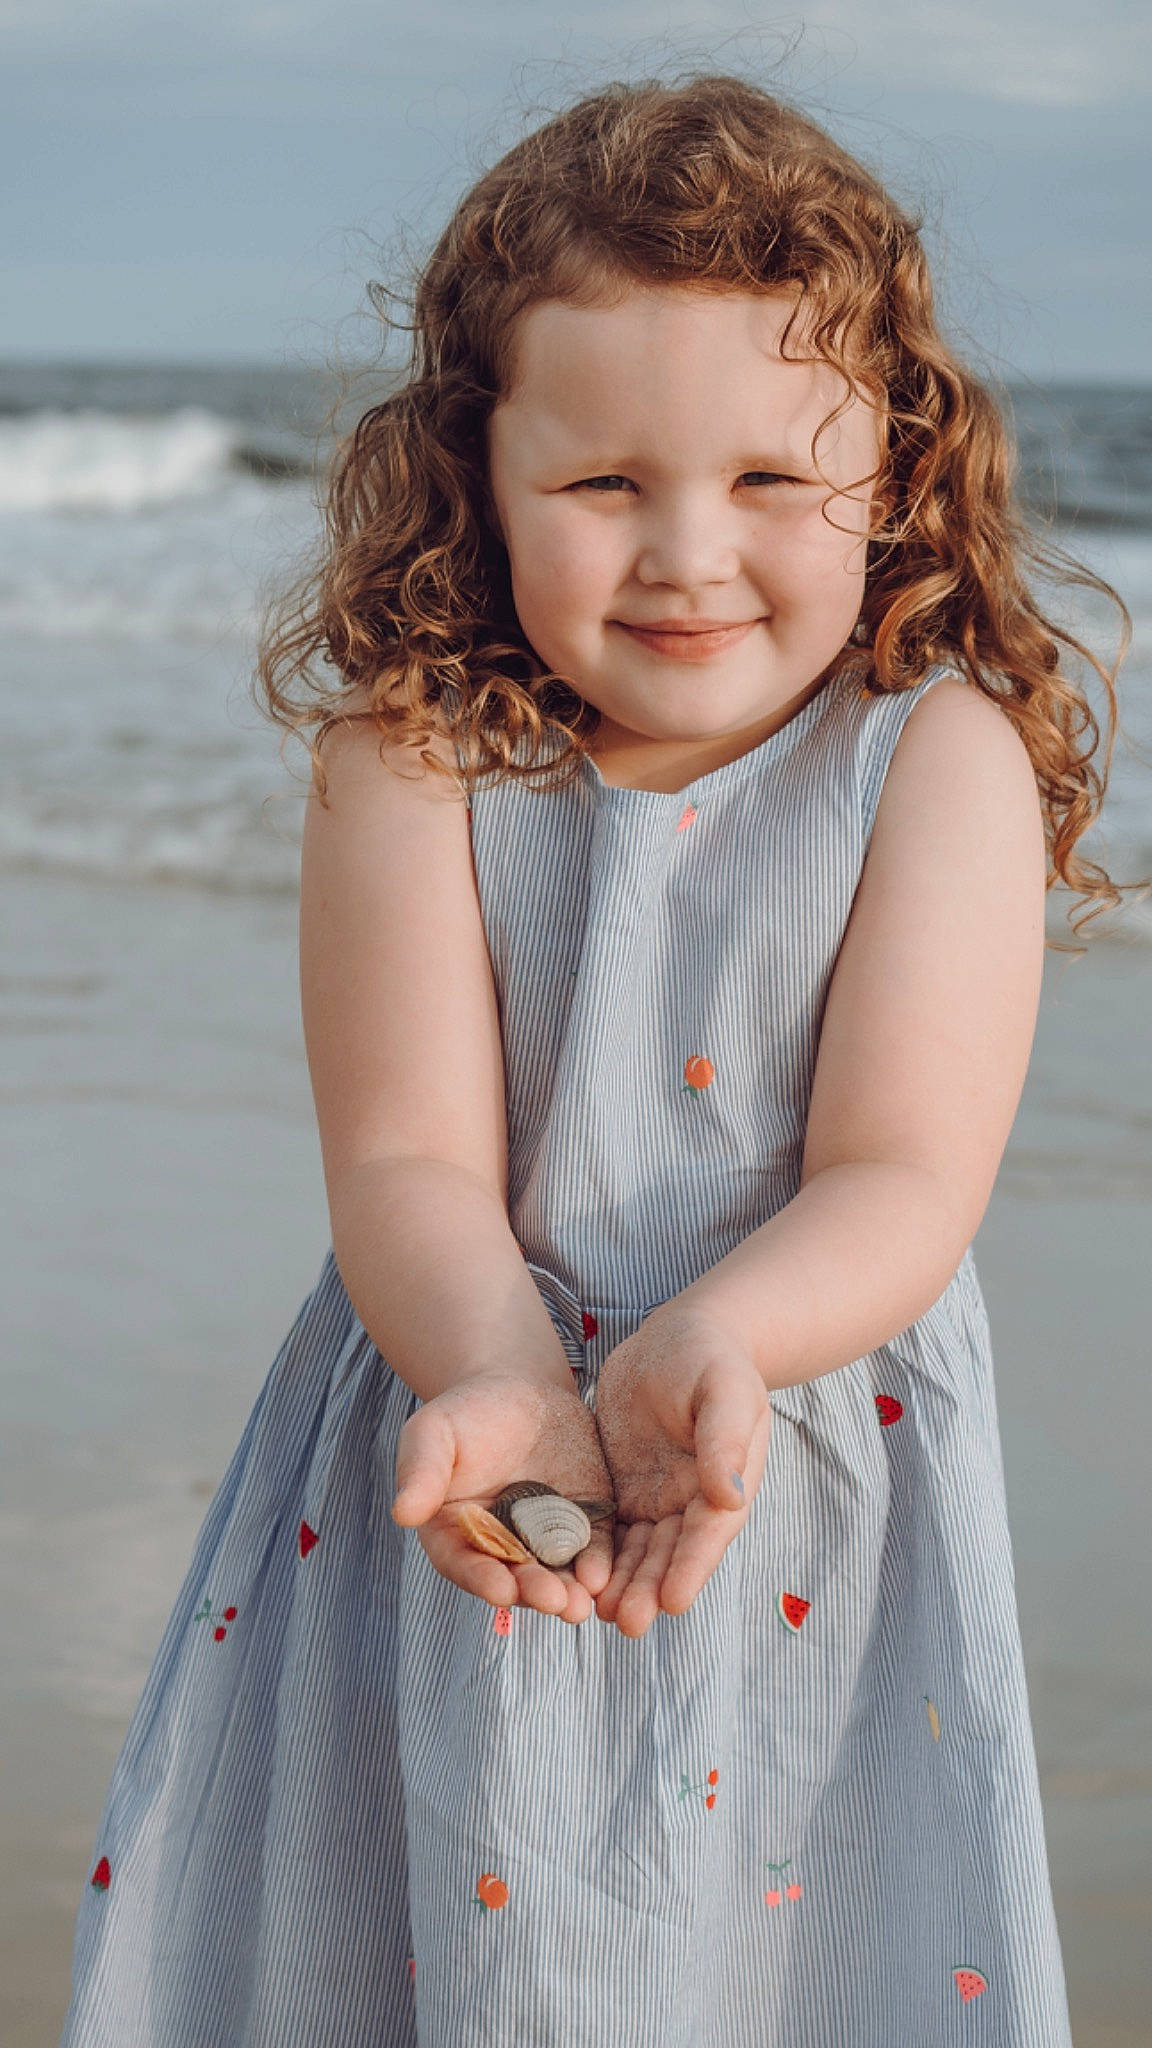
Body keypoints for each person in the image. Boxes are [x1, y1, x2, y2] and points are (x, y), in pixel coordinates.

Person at [60, 71, 1138, 2048]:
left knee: (789, 1960)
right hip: (470, 1449)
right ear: (475, 473)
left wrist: (719, 1338)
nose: (688, 555)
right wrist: (497, 1369)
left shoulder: (937, 760)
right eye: (605, 484)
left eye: (770, 479)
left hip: (795, 1456)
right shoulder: (411, 761)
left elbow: (902, 1171)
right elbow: (405, 1164)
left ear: (894, 473)